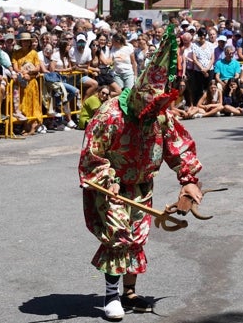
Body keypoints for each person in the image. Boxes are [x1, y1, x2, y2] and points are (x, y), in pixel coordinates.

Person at [78, 25, 204, 320]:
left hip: (142, 184)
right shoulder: (109, 115)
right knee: (118, 235)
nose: (155, 114)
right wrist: (106, 181)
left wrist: (188, 180)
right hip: (111, 185)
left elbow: (178, 147)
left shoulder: (159, 115)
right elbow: (91, 156)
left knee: (137, 235)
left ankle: (129, 292)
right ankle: (111, 297)